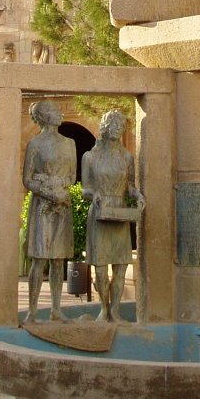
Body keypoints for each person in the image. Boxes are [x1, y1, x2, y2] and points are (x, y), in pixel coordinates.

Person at [81, 110, 145, 323]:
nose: (118, 129)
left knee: (121, 265)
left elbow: (130, 186)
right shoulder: (90, 157)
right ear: (105, 128)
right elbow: (85, 188)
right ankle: (103, 308)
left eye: (121, 126)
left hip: (119, 212)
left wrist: (137, 195)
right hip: (100, 211)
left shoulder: (126, 156)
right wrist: (94, 195)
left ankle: (115, 311)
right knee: (100, 269)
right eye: (114, 125)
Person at [22, 100, 77, 322]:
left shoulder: (70, 143)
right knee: (39, 259)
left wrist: (61, 189)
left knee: (58, 259)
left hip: (62, 204)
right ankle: (32, 311)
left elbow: (72, 176)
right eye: (54, 111)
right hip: (43, 206)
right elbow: (27, 179)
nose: (59, 112)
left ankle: (56, 309)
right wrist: (47, 191)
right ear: (44, 117)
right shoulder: (35, 144)